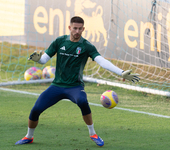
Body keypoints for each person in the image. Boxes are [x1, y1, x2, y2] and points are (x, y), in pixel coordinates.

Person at [15, 16, 140, 147]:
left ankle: (93, 134)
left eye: (80, 29)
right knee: (36, 109)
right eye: (74, 28)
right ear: (69, 28)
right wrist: (37, 60)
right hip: (57, 86)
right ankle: (29, 136)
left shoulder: (86, 46)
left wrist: (121, 72)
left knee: (82, 101)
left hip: (75, 86)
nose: (77, 31)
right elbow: (43, 59)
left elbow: (102, 61)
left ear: (83, 29)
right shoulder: (59, 41)